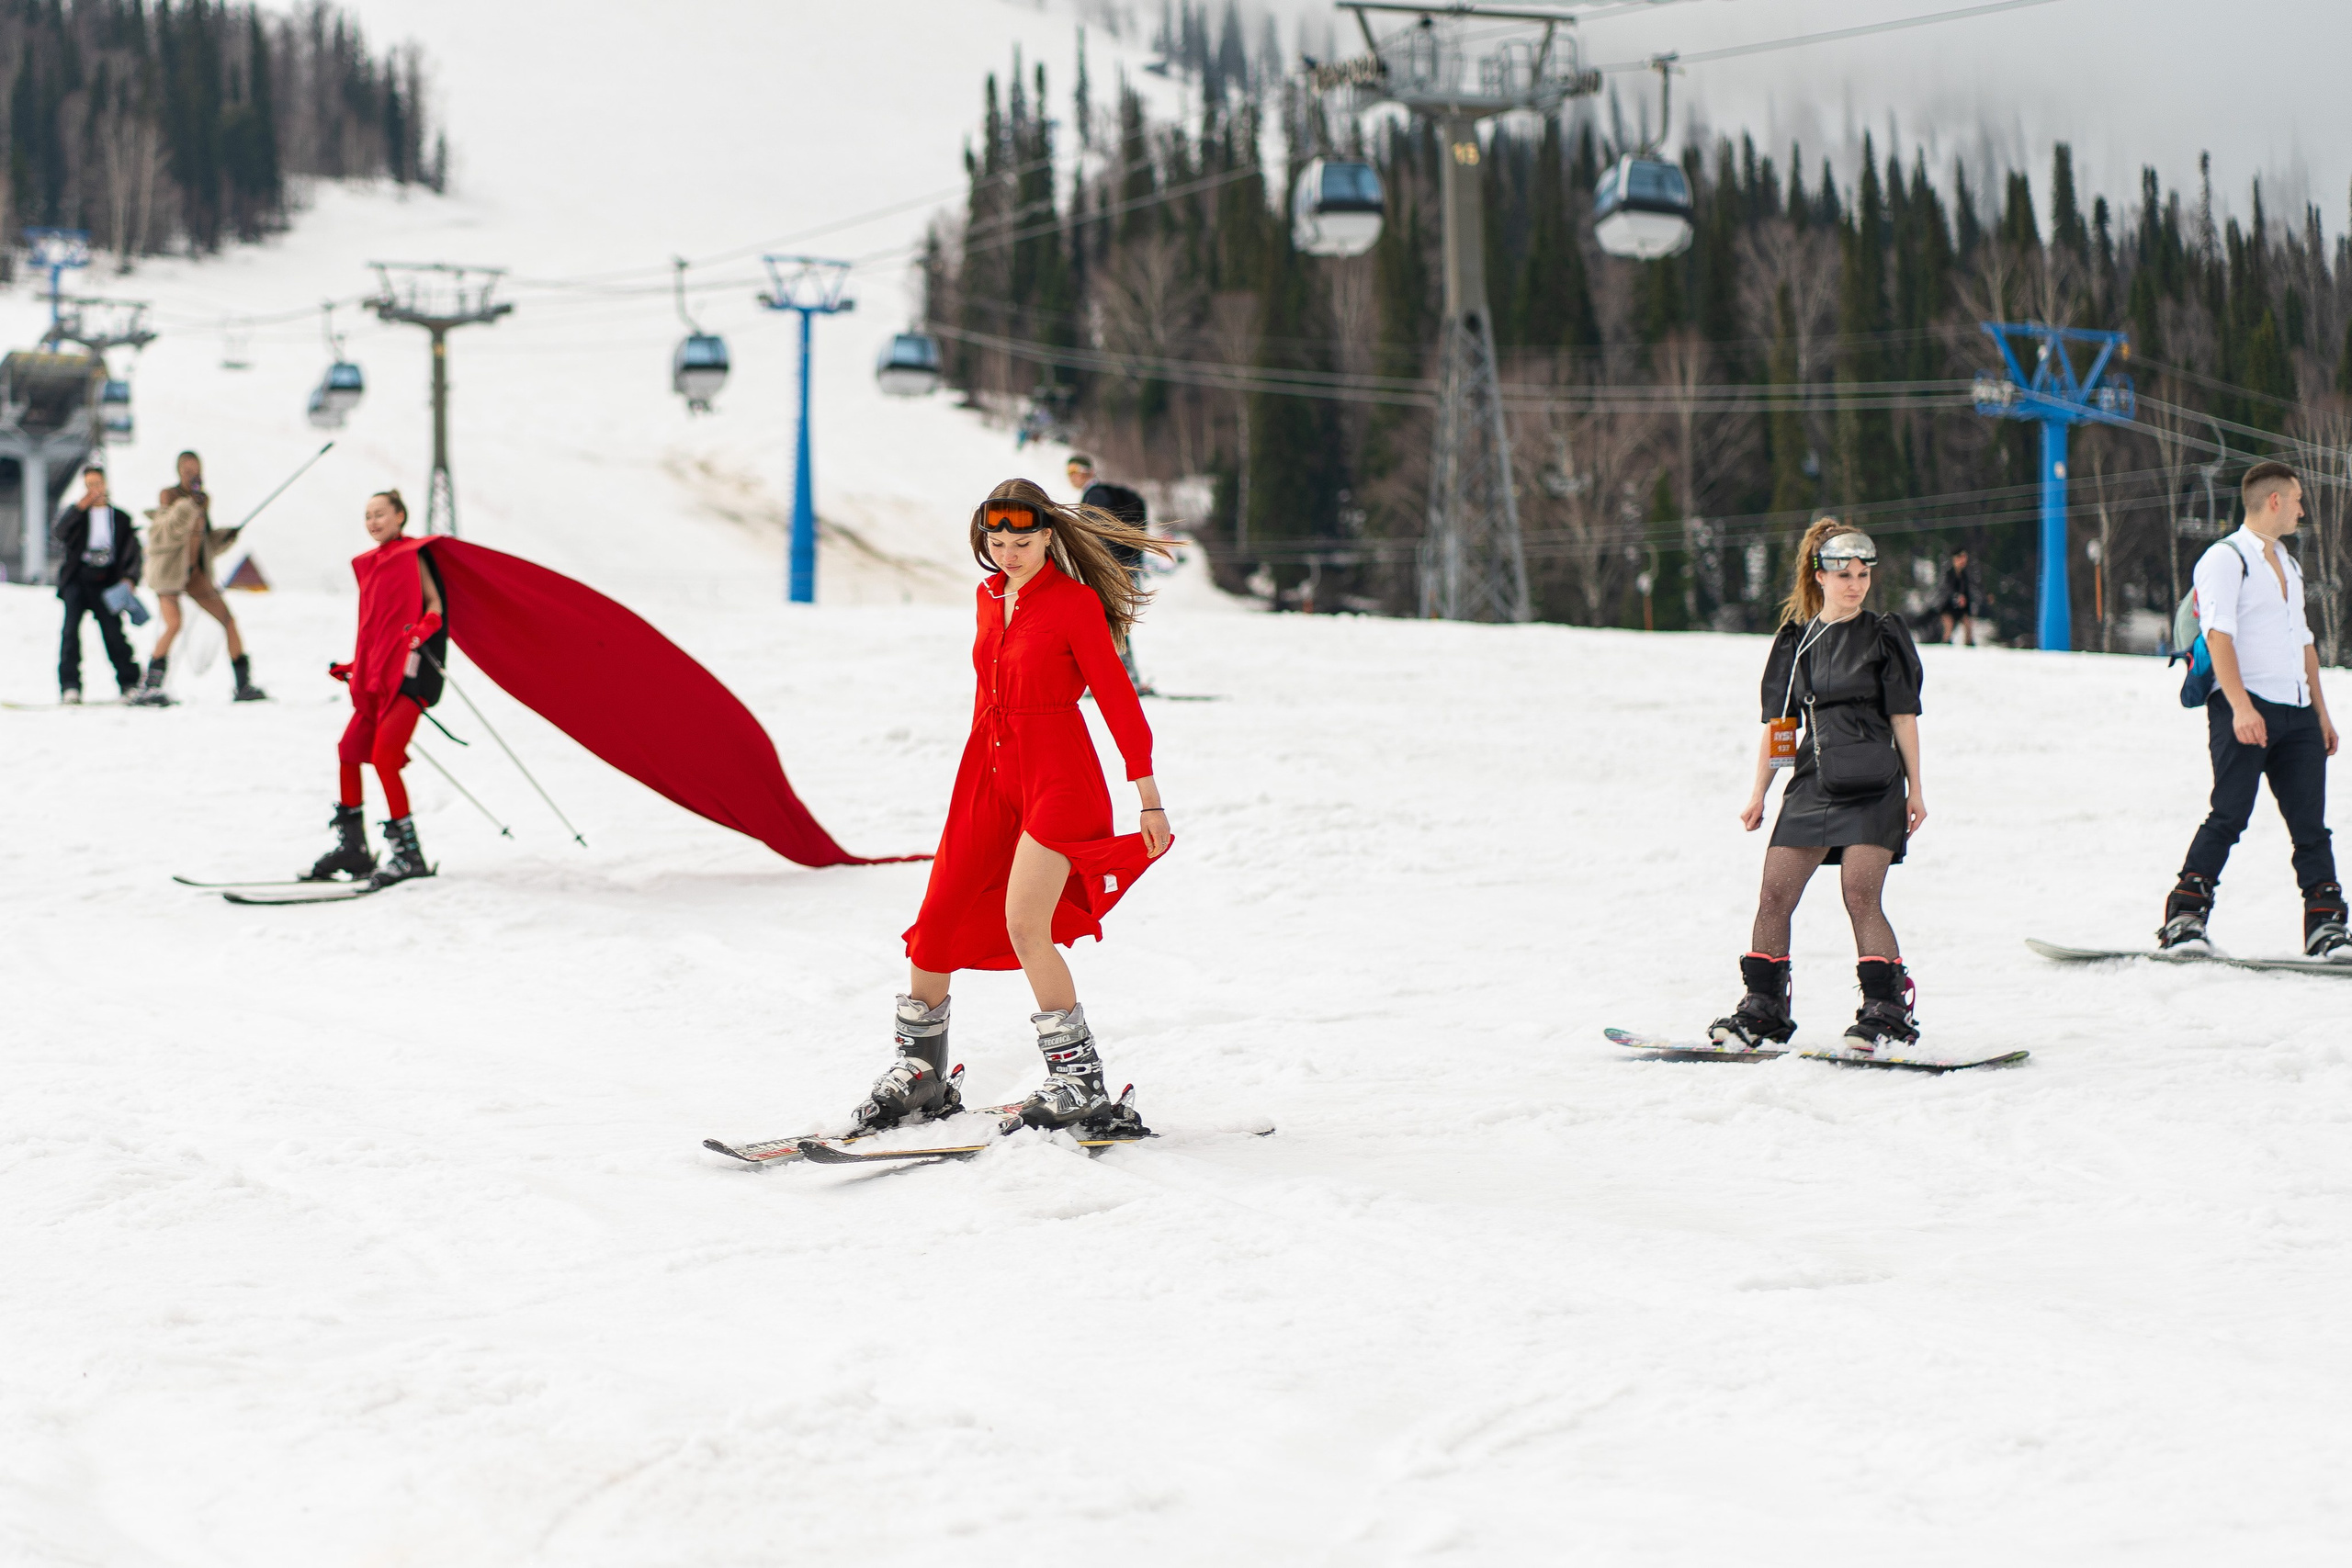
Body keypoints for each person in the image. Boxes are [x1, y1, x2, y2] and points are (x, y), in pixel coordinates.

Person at [844, 477, 1174, 1136]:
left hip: (1058, 776)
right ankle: (922, 1075)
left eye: (1021, 540)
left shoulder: (1075, 604)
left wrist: (1148, 798)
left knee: (1026, 922)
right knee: (934, 922)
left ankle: (1079, 1080)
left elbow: (1117, 700)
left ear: (1048, 536)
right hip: (988, 776)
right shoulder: (987, 598)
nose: (1007, 552)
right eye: (996, 540)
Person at [1713, 518, 1928, 1054]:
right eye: (1845, 575)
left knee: (1860, 892)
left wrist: (1916, 791)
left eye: (1863, 575)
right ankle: (1763, 1009)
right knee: (1774, 894)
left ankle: (1886, 1012)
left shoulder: (1883, 634)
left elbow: (1904, 716)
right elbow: (1782, 728)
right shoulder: (1796, 641)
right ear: (1821, 576)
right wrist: (1760, 791)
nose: (1856, 585)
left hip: (1876, 779)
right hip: (1813, 781)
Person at [2158, 461, 2346, 960]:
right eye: (2299, 500)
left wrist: (2322, 715)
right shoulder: (2225, 558)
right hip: (2244, 706)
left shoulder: (2289, 562)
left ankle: (2326, 928)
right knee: (2229, 814)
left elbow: (2304, 643)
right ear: (2276, 501)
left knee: (2311, 826)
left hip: (2298, 712)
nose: (2304, 509)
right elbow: (2218, 634)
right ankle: (2184, 917)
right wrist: (2241, 708)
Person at [306, 490, 447, 887]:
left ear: (400, 516)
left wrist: (424, 628)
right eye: (367, 516)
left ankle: (409, 855)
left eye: (380, 514)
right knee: (349, 750)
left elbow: (433, 603)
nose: (373, 522)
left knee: (385, 758)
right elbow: (374, 628)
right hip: (374, 677)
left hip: (408, 677)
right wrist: (356, 666)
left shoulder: (413, 554)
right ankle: (354, 848)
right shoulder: (368, 565)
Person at [130, 449, 265, 705]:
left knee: (228, 620)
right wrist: (190, 504)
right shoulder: (170, 496)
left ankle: (243, 684)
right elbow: (167, 532)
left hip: (195, 574)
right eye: (188, 471)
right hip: (169, 572)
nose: (193, 475)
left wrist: (225, 537)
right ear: (179, 472)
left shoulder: (204, 501)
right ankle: (151, 685)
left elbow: (204, 543)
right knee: (174, 624)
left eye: (196, 470)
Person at [51, 464, 145, 703]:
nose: (94, 489)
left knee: (113, 633)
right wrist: (78, 509)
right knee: (70, 632)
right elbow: (58, 533)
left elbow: (132, 551)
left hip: (107, 582)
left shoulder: (120, 518)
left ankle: (129, 682)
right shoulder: (77, 515)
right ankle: (70, 685)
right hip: (78, 579)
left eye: (98, 484)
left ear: (106, 484)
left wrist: (130, 579)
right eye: (89, 485)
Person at [1066, 453, 1155, 694]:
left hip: (1107, 572)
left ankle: (1122, 681)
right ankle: (1127, 679)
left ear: (1088, 472)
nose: (1072, 477)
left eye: (1076, 472)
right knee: (1107, 625)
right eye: (1069, 473)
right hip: (1123, 568)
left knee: (1100, 625)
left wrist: (1094, 567)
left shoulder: (1096, 497)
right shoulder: (1107, 494)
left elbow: (1097, 536)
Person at [1935, 547, 1981, 645]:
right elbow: (1945, 591)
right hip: (1947, 607)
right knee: (1948, 628)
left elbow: (1971, 591)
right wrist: (1956, 597)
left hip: (1960, 609)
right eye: (1961, 557)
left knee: (1968, 626)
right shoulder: (1948, 574)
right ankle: (1945, 647)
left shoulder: (1965, 575)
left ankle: (1968, 649)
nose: (1963, 560)